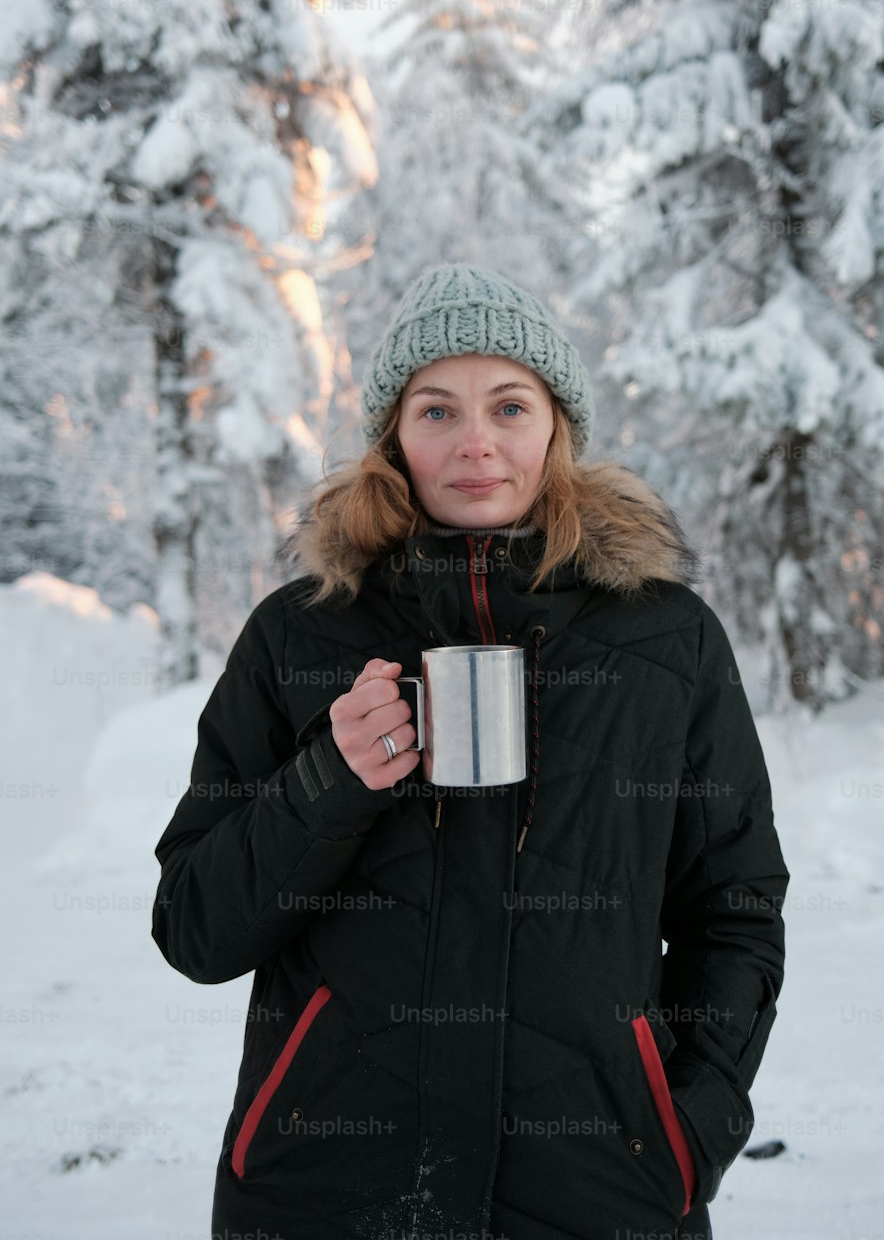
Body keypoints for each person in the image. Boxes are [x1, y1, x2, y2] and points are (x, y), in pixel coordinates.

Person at [152, 263, 790, 1240]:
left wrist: (684, 1129)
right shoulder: (301, 635)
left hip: (598, 1195)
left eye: (509, 405)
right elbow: (195, 927)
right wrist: (328, 779)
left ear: (556, 427)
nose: (476, 442)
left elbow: (734, 912)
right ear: (394, 438)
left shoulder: (665, 640)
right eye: (437, 411)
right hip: (324, 1191)